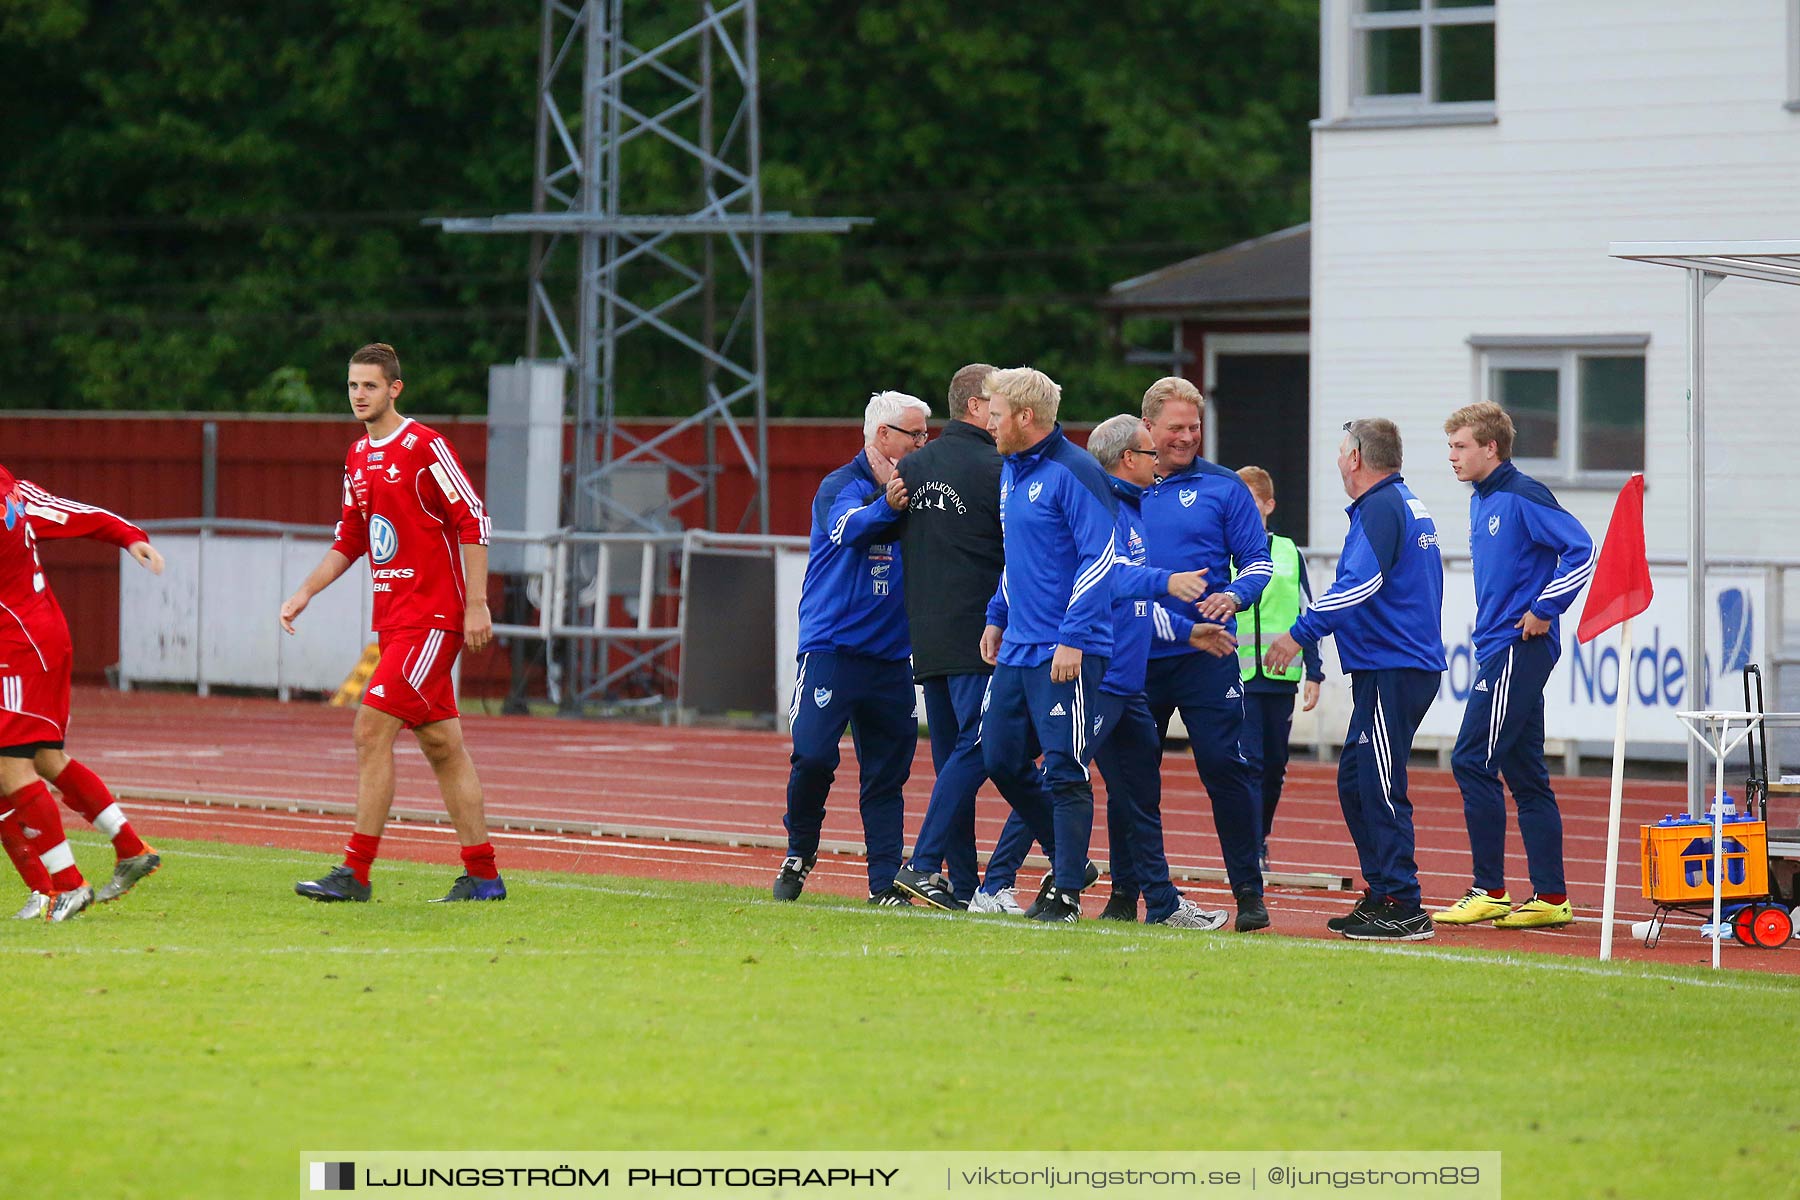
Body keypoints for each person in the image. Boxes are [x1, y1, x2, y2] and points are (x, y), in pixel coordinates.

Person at [984, 415, 1238, 927]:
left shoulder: (1133, 507)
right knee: (1061, 775)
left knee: (1140, 799)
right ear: (1127, 459)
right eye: (1150, 453)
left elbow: (1134, 608)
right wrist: (1165, 581)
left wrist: (1185, 632)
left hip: (1128, 682)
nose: (1159, 461)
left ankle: (1162, 903)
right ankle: (999, 881)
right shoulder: (1104, 504)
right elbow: (1110, 578)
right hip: (1098, 676)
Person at [281, 342, 503, 903]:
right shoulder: (358, 458)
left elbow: (473, 519)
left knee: (369, 729)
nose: (359, 395)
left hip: (433, 619)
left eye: (370, 386)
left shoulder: (425, 447)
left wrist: (476, 603)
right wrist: (305, 592)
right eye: (353, 386)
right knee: (443, 746)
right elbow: (351, 540)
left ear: (394, 389)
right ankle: (484, 877)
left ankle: (355, 873)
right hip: (397, 623)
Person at [1265, 418, 1446, 941]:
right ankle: (1384, 889)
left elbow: (1360, 583)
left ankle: (1404, 903)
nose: (1338, 460)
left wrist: (1300, 634)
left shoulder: (1381, 507)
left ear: (1358, 457)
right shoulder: (1398, 502)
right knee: (1356, 780)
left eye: (1343, 451)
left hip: (1396, 665)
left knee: (1380, 782)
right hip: (1388, 664)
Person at [885, 364, 1052, 911]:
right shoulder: (998, 468)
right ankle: (928, 864)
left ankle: (956, 881)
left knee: (955, 759)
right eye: (997, 403)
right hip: (984, 638)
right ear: (979, 407)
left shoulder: (912, 468)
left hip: (927, 639)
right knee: (988, 751)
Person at [1434, 402, 1595, 930]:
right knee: (1526, 775)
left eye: (1460, 446)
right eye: (1450, 446)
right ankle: (1551, 897)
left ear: (1490, 448)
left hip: (1515, 646)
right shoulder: (1483, 500)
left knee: (1471, 760)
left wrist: (1545, 608)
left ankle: (1490, 889)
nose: (1452, 457)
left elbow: (1582, 549)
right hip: (1496, 645)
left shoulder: (1522, 495)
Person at [773, 390, 932, 907]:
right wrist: (887, 505)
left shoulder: (925, 492)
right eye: (916, 434)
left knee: (888, 774)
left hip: (890, 659)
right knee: (814, 756)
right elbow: (847, 530)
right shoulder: (840, 486)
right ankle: (800, 851)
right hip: (831, 650)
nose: (924, 443)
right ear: (883, 436)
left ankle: (885, 883)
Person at [977, 367, 1117, 923]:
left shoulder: (1075, 470)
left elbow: (1100, 555)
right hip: (1018, 646)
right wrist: (997, 614)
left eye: (994, 412)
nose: (988, 422)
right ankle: (1070, 860)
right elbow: (1020, 557)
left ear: (1024, 418)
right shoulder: (1010, 470)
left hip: (1065, 649)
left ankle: (1065, 894)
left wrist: (1073, 635)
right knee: (1000, 757)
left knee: (1064, 767)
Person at [1136, 377, 1274, 932]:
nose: (1187, 438)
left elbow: (1258, 564)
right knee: (1133, 775)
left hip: (1207, 651)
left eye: (1195, 428)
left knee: (1224, 765)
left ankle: (1248, 890)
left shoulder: (1224, 488)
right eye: (1176, 428)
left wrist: (1235, 594)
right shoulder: (1120, 485)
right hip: (1137, 652)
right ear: (1148, 428)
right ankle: (1132, 890)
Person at [0, 469, 166, 921]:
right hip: (38, 634)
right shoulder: (7, 485)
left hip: (18, 647)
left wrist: (129, 537)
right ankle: (125, 848)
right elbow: (72, 512)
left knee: (10, 769)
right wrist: (129, 535)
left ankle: (65, 886)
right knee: (46, 761)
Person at [1233, 466, 1324, 871]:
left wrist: (1315, 671)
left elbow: (1309, 612)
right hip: (1238, 677)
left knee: (1274, 769)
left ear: (1268, 505)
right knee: (1249, 764)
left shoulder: (1289, 552)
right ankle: (1250, 849)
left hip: (1281, 677)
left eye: (1252, 502)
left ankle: (1260, 836)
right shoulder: (1224, 552)